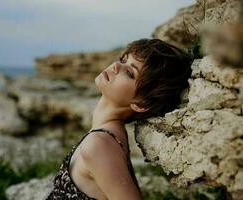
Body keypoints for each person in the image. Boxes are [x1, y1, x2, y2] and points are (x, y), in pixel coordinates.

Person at [46, 38, 193, 200]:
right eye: (123, 60)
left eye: (130, 73)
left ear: (141, 103)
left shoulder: (100, 144)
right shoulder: (106, 136)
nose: (116, 66)